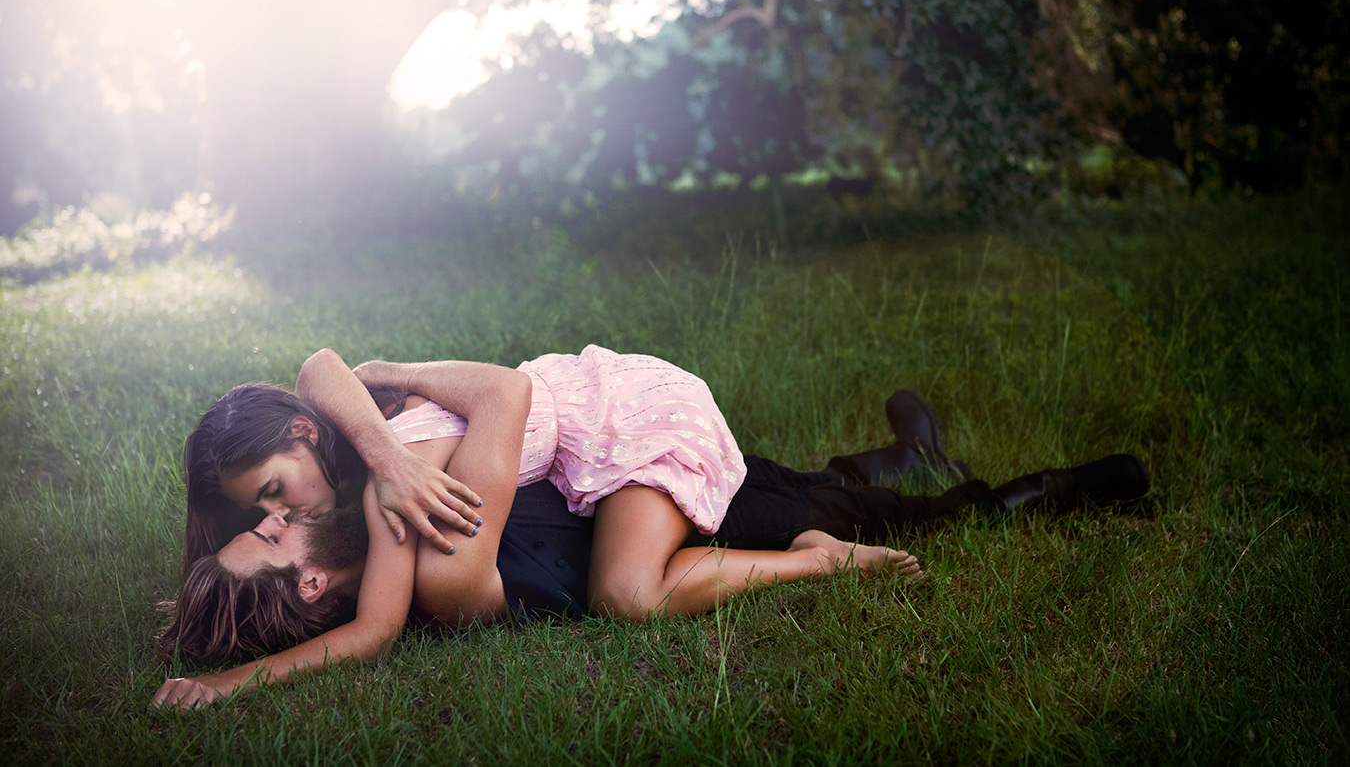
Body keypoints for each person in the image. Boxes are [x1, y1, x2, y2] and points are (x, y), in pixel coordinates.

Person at [153, 347, 1147, 709]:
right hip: (605, 477)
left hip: (620, 427)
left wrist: (385, 441)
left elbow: (329, 369)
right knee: (789, 502)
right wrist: (223, 677)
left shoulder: (388, 481)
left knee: (705, 548)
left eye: (270, 500)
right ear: (307, 584)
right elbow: (369, 631)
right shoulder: (403, 548)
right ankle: (910, 470)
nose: (279, 513)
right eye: (264, 525)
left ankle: (916, 498)